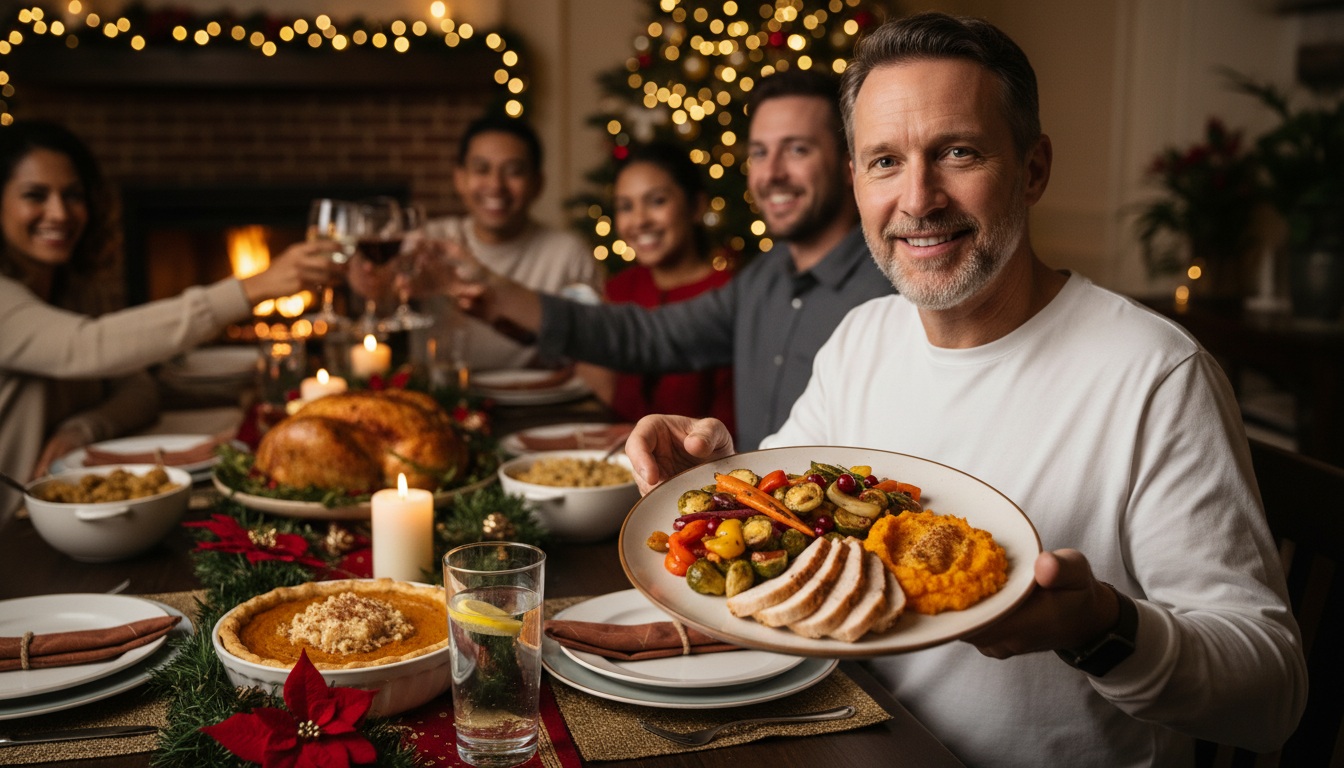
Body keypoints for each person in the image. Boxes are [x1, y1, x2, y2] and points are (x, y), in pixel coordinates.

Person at [623, 13, 1306, 767]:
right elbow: (789, 518)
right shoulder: (862, 337)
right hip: (843, 741)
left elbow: (1272, 693)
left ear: (1033, 168)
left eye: (957, 152)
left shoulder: (1154, 376)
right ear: (855, 181)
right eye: (885, 161)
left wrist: (1101, 628)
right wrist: (716, 472)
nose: (919, 199)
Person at [433, 70, 894, 449]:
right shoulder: (762, 279)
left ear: (846, 163)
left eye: (797, 149)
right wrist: (495, 294)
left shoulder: (892, 289)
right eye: (759, 152)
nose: (771, 173)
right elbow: (648, 334)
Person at [0, 119, 333, 520]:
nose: (59, 213)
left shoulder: (70, 291)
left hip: (72, 516)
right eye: (35, 195)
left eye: (73, 195)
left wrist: (85, 429)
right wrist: (250, 289)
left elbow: (139, 388)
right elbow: (89, 346)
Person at [352, 115, 602, 373]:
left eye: (514, 171)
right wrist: (366, 280)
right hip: (444, 397)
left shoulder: (568, 253)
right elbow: (375, 302)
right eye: (482, 169)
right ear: (459, 178)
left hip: (541, 402)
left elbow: (593, 345)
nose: (496, 185)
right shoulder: (427, 241)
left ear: (538, 183)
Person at [587, 141, 735, 431]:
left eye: (656, 201)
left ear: (696, 206)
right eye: (626, 206)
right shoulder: (618, 290)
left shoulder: (729, 297)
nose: (639, 220)